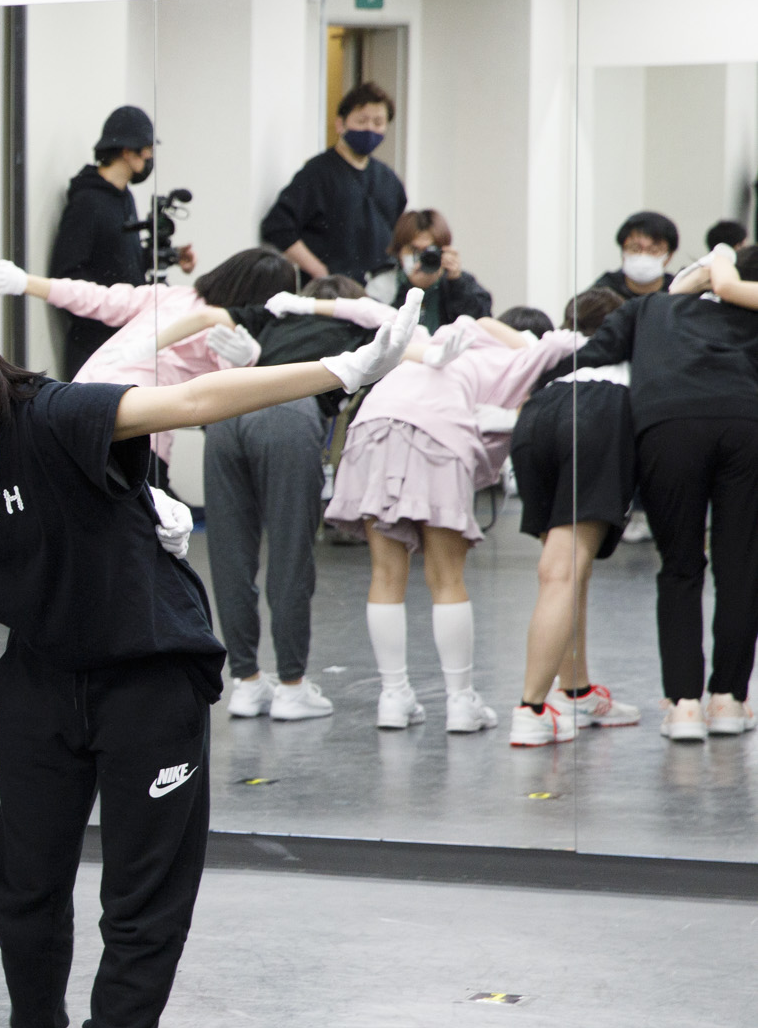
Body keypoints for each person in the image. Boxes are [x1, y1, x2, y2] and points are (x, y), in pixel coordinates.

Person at [0, 282, 426, 1028]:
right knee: (22, 879)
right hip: (42, 675)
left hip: (147, 668)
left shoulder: (51, 415)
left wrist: (340, 370)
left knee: (140, 883)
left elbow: (193, 401)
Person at [323, 315, 585, 733]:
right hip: (438, 435)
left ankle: (393, 698)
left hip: (372, 428)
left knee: (385, 573)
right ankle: (461, 703)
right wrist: (520, 338)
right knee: (447, 578)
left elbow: (373, 315)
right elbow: (564, 342)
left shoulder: (426, 340)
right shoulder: (511, 359)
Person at [566, 244, 758, 740]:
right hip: (745, 423)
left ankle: (685, 705)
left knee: (679, 566)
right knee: (741, 566)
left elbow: (593, 354)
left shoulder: (647, 308)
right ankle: (729, 700)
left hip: (667, 425)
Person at [201, 277, 389, 720]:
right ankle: (291, 687)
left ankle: (246, 683)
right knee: (290, 555)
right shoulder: (360, 325)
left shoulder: (277, 319)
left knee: (229, 555)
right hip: (289, 412)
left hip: (227, 408)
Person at [505, 287, 642, 744]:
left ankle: (576, 692)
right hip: (596, 415)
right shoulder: (627, 353)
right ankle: (531, 709)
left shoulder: (559, 355)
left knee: (565, 571)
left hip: (536, 417)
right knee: (564, 571)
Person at [45, 106, 194, 378]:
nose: (150, 157)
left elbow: (118, 257)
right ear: (128, 151)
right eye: (147, 150)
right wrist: (112, 305)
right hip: (93, 348)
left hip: (123, 340)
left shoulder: (124, 197)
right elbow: (66, 273)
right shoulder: (87, 202)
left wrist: (169, 256)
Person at [260, 81, 408, 283]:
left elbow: (401, 237)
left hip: (380, 292)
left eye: (378, 122)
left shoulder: (389, 180)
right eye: (362, 121)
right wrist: (319, 271)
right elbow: (277, 226)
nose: (370, 128)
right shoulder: (317, 173)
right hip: (332, 292)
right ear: (340, 124)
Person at [360, 209, 493, 330]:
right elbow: (374, 332)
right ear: (399, 251)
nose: (423, 258)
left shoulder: (460, 282)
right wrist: (409, 289)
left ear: (444, 250)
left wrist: (457, 285)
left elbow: (482, 327)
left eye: (430, 251)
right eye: (414, 250)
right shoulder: (383, 285)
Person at [585, 211, 679, 298]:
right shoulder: (602, 292)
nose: (643, 256)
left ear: (669, 256)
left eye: (653, 250)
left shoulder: (677, 292)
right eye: (635, 249)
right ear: (623, 252)